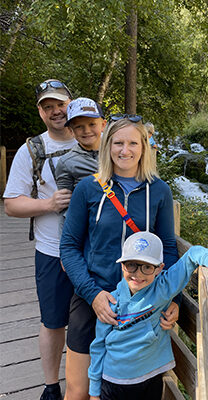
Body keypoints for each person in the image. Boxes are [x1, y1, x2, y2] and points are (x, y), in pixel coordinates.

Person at [60, 115, 180, 400]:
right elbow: (69, 246)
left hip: (140, 304)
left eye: (132, 143)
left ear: (144, 147)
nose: (125, 150)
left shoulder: (159, 191)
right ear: (107, 146)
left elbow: (169, 250)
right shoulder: (88, 188)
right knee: (78, 391)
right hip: (92, 297)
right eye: (118, 143)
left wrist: (171, 298)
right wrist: (93, 295)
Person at [88, 231, 208, 400]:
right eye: (131, 265)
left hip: (151, 376)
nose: (138, 274)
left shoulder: (164, 287)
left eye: (147, 267)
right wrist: (94, 392)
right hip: (114, 381)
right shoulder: (111, 302)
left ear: (159, 268)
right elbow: (98, 346)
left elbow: (193, 255)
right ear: (122, 265)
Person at [3, 79, 76, 400]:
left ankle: (90, 382)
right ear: (40, 112)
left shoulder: (96, 139)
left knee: (97, 317)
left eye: (60, 104)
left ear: (71, 103)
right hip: (50, 251)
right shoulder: (31, 150)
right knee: (53, 321)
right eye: (48, 106)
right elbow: (11, 204)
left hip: (96, 250)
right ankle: (50, 386)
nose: (56, 111)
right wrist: (49, 204)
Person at [55, 97, 106, 193]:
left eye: (92, 124)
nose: (86, 131)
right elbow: (65, 203)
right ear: (71, 131)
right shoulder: (66, 163)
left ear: (103, 125)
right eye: (79, 126)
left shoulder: (117, 152)